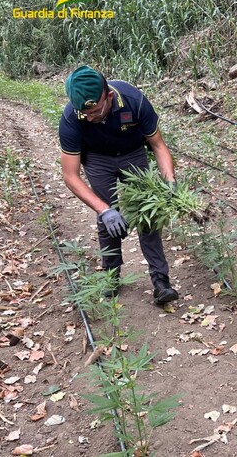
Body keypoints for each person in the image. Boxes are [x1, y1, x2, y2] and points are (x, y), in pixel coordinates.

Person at [58, 65, 178, 305]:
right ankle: (111, 273)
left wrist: (169, 181)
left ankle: (160, 280)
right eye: (85, 114)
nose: (90, 118)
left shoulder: (134, 101)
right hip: (97, 159)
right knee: (108, 219)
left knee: (148, 214)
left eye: (94, 111)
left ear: (109, 96)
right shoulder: (72, 117)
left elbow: (158, 145)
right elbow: (70, 175)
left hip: (133, 153)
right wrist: (104, 210)